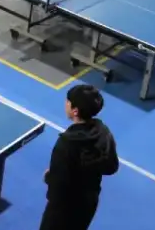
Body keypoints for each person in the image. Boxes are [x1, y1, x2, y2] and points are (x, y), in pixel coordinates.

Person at [40, 85, 119, 230]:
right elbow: (111, 167)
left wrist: (49, 178)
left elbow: (57, 190)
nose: (65, 103)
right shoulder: (103, 132)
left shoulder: (66, 143)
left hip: (64, 209)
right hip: (88, 202)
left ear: (75, 111)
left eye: (68, 101)